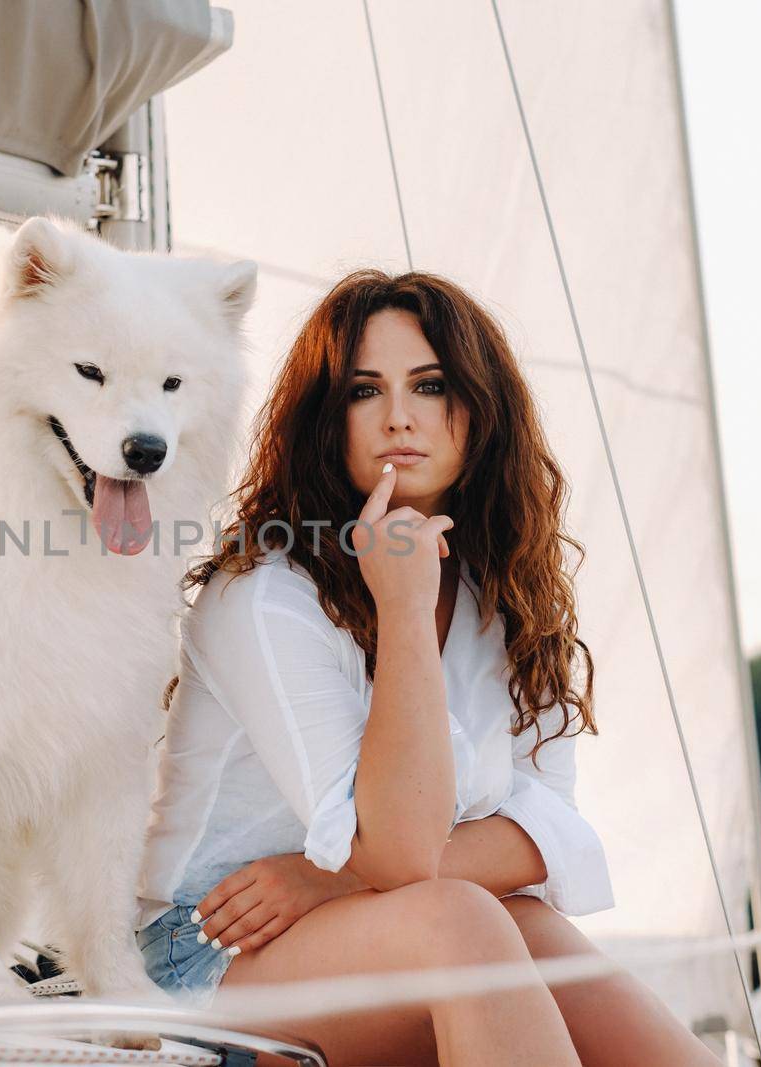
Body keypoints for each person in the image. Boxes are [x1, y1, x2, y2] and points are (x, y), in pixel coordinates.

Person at [134, 270, 720, 1065]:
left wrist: (331, 878)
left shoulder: (506, 595)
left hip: (376, 924)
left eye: (431, 385)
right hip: (209, 946)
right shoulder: (268, 597)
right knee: (467, 919)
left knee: (523, 925)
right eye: (364, 391)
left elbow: (549, 828)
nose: (399, 417)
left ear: (478, 410)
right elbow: (403, 853)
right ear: (327, 421)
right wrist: (404, 611)